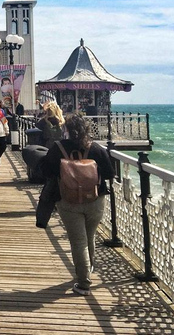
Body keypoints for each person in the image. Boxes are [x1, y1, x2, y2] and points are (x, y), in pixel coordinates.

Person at [41, 113, 115, 296]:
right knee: (89, 237)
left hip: (68, 200)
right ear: (87, 129)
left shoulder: (58, 148)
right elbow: (109, 173)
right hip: (95, 200)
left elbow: (46, 171)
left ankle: (83, 284)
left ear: (66, 129)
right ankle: (87, 272)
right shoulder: (96, 149)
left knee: (78, 241)